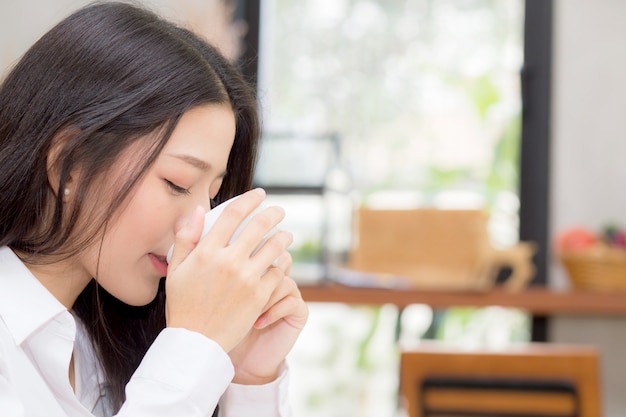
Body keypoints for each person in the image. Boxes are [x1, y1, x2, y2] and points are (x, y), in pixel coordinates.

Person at [0, 2, 308, 416]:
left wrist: (246, 378)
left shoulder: (102, 345)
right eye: (177, 183)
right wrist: (195, 345)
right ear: (69, 164)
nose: (197, 226)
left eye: (213, 195)